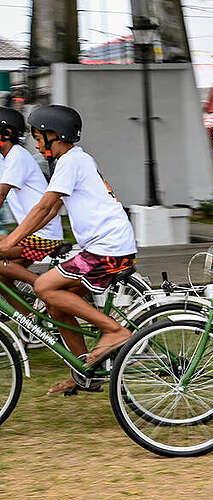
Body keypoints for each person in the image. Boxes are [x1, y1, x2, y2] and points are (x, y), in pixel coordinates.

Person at [0, 105, 137, 396]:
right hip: (102, 247)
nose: (36, 144)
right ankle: (84, 374)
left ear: (54, 134)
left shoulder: (71, 161)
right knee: (56, 305)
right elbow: (53, 208)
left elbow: (45, 205)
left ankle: (114, 330)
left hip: (107, 248)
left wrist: (11, 242)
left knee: (46, 287)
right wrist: (16, 238)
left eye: (38, 137)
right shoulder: (72, 161)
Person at [0, 106, 66, 306]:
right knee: (3, 279)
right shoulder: (4, 158)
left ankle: (49, 288)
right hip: (31, 232)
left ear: (7, 133)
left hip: (43, 233)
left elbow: (1, 194)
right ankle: (28, 323)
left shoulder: (17, 156)